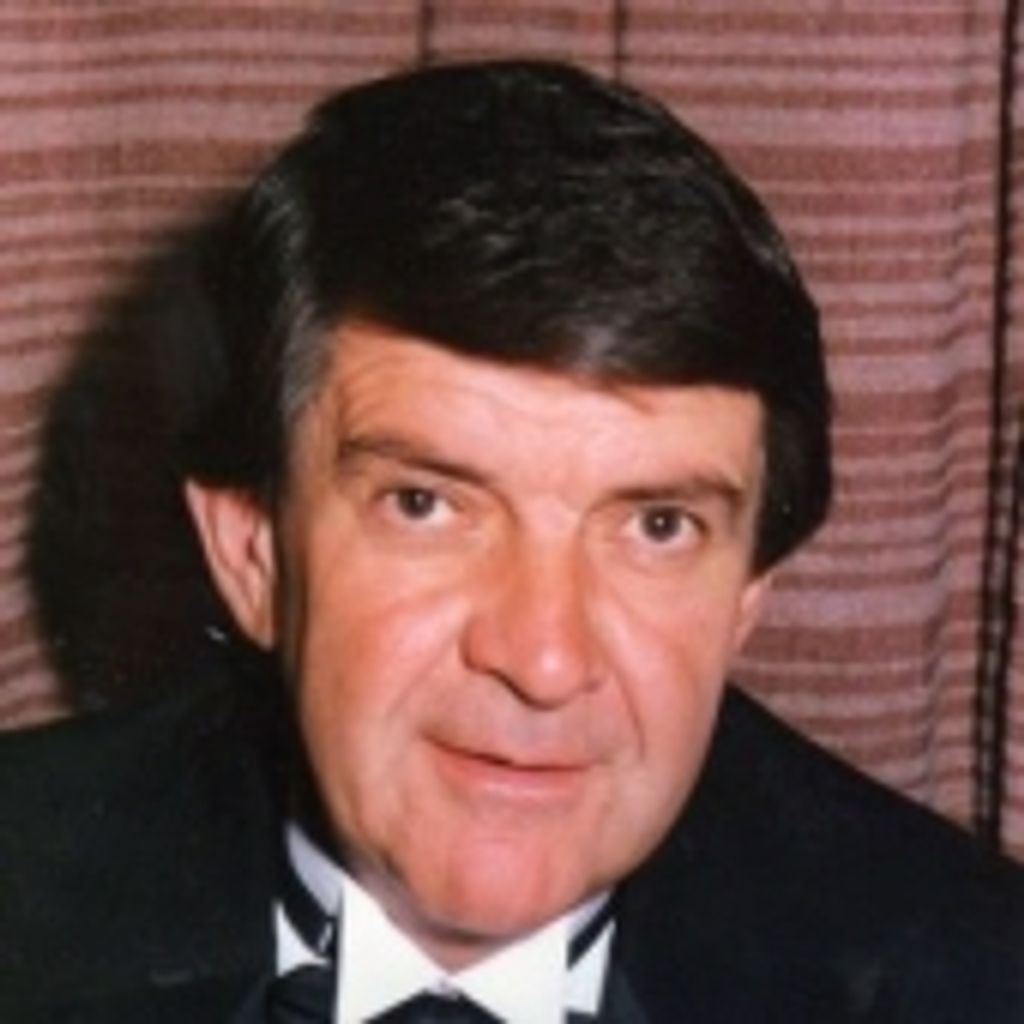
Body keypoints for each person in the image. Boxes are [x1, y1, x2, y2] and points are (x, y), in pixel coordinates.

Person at [2, 59, 1022, 1023]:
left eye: (657, 526)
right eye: (425, 505)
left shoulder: (974, 971)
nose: (543, 661)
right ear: (252, 553)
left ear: (744, 599)